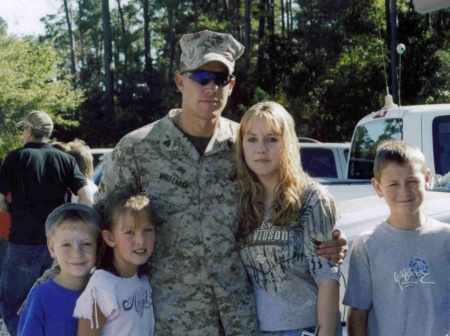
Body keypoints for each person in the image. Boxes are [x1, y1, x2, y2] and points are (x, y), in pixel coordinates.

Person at [97, 30, 348, 335]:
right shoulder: (137, 149)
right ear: (180, 81)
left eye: (220, 78)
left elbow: (289, 195)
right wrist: (60, 280)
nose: (211, 87)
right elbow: (99, 227)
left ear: (231, 85)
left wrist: (327, 242)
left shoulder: (246, 143)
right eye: (201, 77)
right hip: (174, 321)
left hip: (242, 321)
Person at [236, 101, 341, 336]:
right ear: (241, 145)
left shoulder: (312, 198)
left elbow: (327, 277)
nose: (260, 148)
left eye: (271, 139)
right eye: (251, 139)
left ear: (288, 143)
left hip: (304, 329)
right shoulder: (240, 201)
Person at [0, 111, 93, 336]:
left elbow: (0, 202)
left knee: (13, 303)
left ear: (29, 131)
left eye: (24, 129)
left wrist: (13, 211)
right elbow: (87, 196)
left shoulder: (15, 158)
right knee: (52, 297)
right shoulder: (66, 159)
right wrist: (73, 221)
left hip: (22, 242)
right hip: (55, 245)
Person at [343, 140, 450, 336]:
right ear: (377, 187)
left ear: (427, 179)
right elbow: (357, 314)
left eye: (412, 181)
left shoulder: (446, 239)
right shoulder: (367, 245)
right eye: (393, 184)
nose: (404, 191)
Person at [74, 192, 155, 336]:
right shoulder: (101, 287)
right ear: (110, 238)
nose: (141, 240)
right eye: (130, 232)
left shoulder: (142, 280)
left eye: (147, 230)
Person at [17, 203, 100, 336]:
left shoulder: (104, 291)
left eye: (86, 244)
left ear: (98, 246)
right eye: (66, 245)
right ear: (52, 248)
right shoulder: (40, 297)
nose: (77, 253)